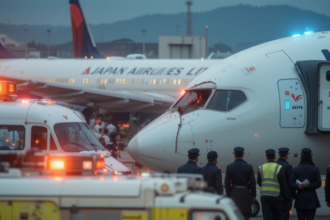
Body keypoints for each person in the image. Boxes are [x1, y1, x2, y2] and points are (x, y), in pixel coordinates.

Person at [289, 148, 321, 220]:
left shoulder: (296, 169)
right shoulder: (315, 169)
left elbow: (291, 183)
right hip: (312, 198)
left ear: (301, 157)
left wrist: (298, 186)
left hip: (300, 199)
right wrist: (309, 185)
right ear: (310, 157)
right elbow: (319, 183)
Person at [225, 147, 256, 220]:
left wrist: (228, 195)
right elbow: (252, 183)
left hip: (234, 195)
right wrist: (253, 195)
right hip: (246, 195)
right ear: (243, 155)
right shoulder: (249, 166)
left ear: (234, 155)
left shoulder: (229, 167)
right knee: (245, 216)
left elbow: (227, 183)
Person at [258, 149, 290, 220]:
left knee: (266, 216)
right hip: (276, 195)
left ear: (266, 157)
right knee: (278, 215)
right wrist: (285, 196)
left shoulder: (261, 167)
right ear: (275, 157)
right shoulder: (279, 167)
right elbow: (283, 183)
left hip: (264, 195)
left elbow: (259, 182)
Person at [275, 147, 296, 220]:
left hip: (274, 194)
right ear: (286, 155)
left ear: (279, 155)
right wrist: (293, 195)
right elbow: (291, 182)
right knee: (285, 215)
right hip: (286, 196)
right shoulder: (288, 166)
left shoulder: (274, 165)